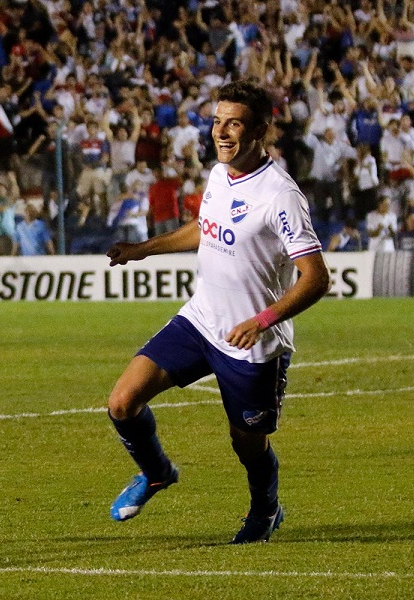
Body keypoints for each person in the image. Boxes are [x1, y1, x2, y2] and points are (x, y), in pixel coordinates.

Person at [104, 80, 330, 544]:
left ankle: (266, 510)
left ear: (261, 130)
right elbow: (206, 229)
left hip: (253, 341)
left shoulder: (280, 195)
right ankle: (159, 473)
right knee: (122, 403)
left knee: (247, 445)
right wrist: (145, 249)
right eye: (216, 122)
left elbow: (316, 277)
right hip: (201, 319)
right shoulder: (219, 173)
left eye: (234, 123)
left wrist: (263, 320)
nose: (221, 133)